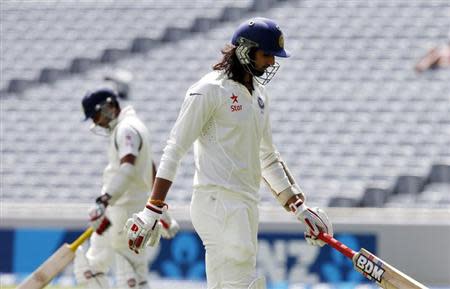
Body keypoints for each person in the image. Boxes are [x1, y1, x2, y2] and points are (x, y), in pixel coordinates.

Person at [125, 17, 333, 289]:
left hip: (245, 202)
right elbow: (175, 148)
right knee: (242, 281)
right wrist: (153, 208)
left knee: (225, 283)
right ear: (245, 50)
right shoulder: (209, 90)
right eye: (266, 54)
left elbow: (267, 157)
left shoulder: (259, 95)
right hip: (217, 199)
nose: (271, 62)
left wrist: (299, 208)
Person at [74, 88, 179, 289]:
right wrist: (163, 214)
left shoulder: (126, 129)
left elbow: (128, 168)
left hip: (122, 211)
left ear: (108, 106)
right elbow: (150, 170)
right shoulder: (134, 125)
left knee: (99, 269)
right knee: (132, 271)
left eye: (95, 116)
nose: (95, 122)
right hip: (130, 210)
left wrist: (105, 199)